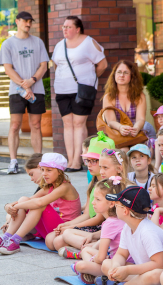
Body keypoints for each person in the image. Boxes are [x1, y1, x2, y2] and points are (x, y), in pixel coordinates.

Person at [0, 153, 81, 255]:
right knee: (24, 199)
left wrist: (16, 206)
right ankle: (6, 237)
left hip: (63, 229)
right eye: (42, 170)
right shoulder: (49, 187)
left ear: (60, 172)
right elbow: (27, 200)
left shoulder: (65, 187)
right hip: (51, 229)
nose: (44, 174)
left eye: (49, 170)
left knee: (39, 205)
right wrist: (8, 206)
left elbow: (39, 202)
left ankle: (15, 241)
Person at [95, 186, 163, 285]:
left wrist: (128, 270)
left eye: (117, 204)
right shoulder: (127, 227)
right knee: (107, 264)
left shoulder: (147, 231)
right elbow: (121, 254)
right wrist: (116, 266)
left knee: (153, 276)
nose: (114, 206)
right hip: (146, 270)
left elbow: (159, 264)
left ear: (125, 211)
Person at [52, 16, 108, 172]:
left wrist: (89, 79)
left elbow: (102, 64)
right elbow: (56, 64)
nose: (65, 29)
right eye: (63, 26)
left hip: (81, 90)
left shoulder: (88, 43)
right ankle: (70, 160)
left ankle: (77, 161)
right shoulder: (59, 45)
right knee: (67, 124)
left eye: (69, 27)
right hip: (62, 90)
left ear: (78, 29)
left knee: (78, 123)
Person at [0, 11, 49, 174]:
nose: (28, 24)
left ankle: (38, 160)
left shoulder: (38, 42)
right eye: (25, 21)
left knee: (36, 125)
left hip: (37, 89)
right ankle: (13, 161)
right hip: (17, 91)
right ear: (17, 21)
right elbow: (8, 68)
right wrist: (23, 85)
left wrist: (32, 81)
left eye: (30, 21)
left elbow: (43, 65)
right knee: (14, 125)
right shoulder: (8, 44)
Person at [57, 148, 132, 258]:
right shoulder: (105, 186)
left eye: (105, 168)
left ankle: (87, 252)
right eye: (100, 167)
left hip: (123, 239)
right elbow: (102, 220)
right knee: (66, 234)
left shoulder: (129, 189)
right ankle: (89, 250)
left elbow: (125, 226)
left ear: (119, 168)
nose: (101, 171)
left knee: (59, 241)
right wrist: (92, 235)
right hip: (107, 233)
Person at [53, 132, 115, 255]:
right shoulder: (93, 182)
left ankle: (90, 251)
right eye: (88, 161)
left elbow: (98, 219)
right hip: (95, 226)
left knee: (58, 241)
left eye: (94, 161)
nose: (89, 165)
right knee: (54, 240)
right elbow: (87, 213)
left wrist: (73, 227)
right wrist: (68, 224)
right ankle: (91, 249)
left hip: (103, 227)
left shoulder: (109, 184)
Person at [71, 178, 127, 285]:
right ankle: (90, 272)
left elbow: (101, 257)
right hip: (117, 260)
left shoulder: (109, 223)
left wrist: (93, 260)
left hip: (118, 264)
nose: (93, 202)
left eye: (97, 199)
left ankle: (90, 272)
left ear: (111, 204)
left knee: (80, 265)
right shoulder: (120, 218)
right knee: (86, 250)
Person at [102, 60, 156, 151]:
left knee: (139, 150)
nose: (121, 75)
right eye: (119, 72)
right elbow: (111, 121)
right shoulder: (109, 97)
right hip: (117, 135)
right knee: (124, 151)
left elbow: (141, 119)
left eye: (125, 72)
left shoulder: (140, 96)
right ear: (114, 75)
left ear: (132, 76)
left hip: (136, 134)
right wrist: (121, 127)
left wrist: (136, 128)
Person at [0, 153, 43, 239]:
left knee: (20, 206)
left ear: (40, 168)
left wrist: (11, 214)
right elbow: (27, 201)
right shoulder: (42, 188)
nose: (31, 179)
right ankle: (14, 233)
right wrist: (8, 206)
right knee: (10, 215)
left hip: (48, 226)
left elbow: (29, 202)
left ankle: (11, 235)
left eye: (32, 174)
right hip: (40, 225)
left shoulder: (52, 188)